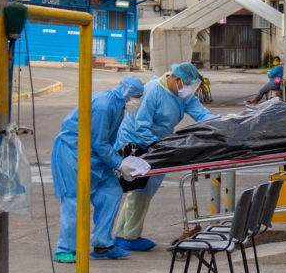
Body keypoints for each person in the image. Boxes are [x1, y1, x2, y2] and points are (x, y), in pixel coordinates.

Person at [112, 62, 216, 251]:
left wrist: (220, 125)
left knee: (145, 189)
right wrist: (159, 147)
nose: (188, 90)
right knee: (139, 188)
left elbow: (201, 113)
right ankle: (129, 236)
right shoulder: (153, 91)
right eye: (187, 85)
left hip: (160, 142)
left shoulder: (183, 93)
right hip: (136, 141)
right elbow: (141, 126)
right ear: (177, 80)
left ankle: (123, 234)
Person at [52, 76, 145, 262]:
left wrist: (119, 162)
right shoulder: (103, 106)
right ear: (128, 95)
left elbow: (106, 141)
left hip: (94, 156)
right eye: (137, 97)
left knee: (111, 192)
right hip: (73, 153)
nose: (137, 102)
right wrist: (120, 165)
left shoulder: (118, 107)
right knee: (75, 200)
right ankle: (65, 248)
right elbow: (99, 142)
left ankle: (103, 243)